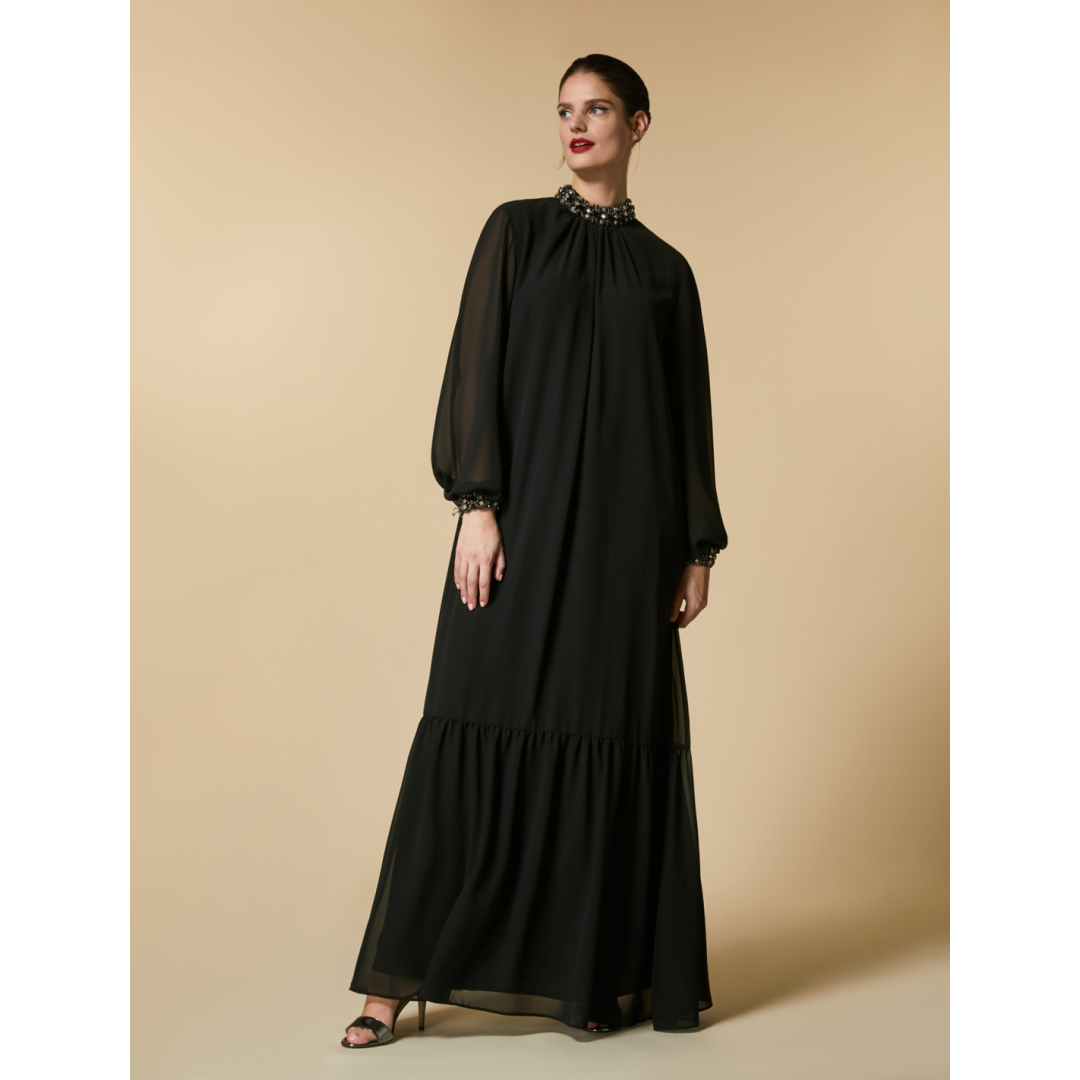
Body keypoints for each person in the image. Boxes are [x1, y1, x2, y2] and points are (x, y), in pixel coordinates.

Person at [341, 53, 727, 1049]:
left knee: (606, 733)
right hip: (522, 524)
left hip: (625, 544)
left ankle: (583, 976)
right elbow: (473, 369)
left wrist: (696, 550)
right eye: (564, 110)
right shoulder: (514, 232)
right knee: (473, 718)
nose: (576, 125)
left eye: (597, 108)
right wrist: (478, 506)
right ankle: (390, 984)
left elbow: (686, 420)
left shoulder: (667, 273)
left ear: (638, 125)